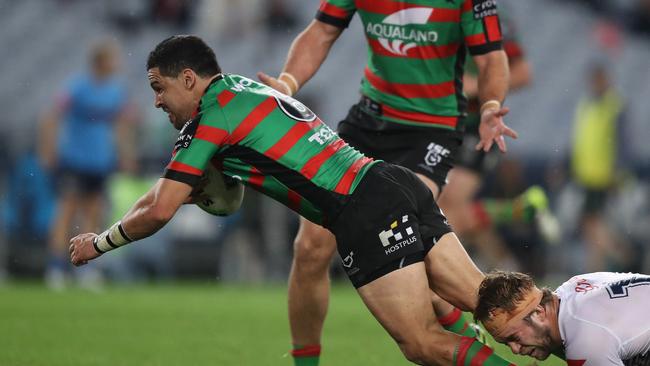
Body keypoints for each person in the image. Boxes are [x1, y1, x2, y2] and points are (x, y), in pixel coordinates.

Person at [69, 35, 520, 366]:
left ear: (189, 79)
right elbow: (215, 191)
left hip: (361, 211)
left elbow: (159, 208)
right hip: (391, 180)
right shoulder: (244, 89)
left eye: (159, 88)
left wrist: (100, 242)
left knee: (422, 342)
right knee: (488, 302)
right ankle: (568, 325)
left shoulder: (211, 116)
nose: (156, 102)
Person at [256, 1, 517, 363]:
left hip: (432, 130)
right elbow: (322, 30)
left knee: (409, 242)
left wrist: (489, 105)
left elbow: (491, 57)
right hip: (368, 120)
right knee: (310, 248)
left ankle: (467, 331)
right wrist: (286, 83)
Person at [39, 38, 136, 290]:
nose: (117, 64)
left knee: (94, 213)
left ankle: (88, 268)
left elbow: (121, 125)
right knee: (67, 211)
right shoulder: (78, 87)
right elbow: (52, 116)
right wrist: (48, 149)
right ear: (100, 61)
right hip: (74, 158)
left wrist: (125, 154)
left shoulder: (115, 91)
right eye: (112, 59)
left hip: (100, 161)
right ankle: (56, 268)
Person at [474, 271, 650, 365]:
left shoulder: (584, 342)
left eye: (514, 338)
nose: (514, 349)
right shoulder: (572, 286)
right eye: (506, 343)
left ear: (538, 313)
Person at [570, 62, 631, 272]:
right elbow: (580, 139)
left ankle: (623, 255)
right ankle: (597, 266)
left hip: (604, 176)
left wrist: (617, 173)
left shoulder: (615, 105)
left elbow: (622, 143)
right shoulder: (587, 105)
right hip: (587, 175)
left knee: (592, 224)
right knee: (591, 225)